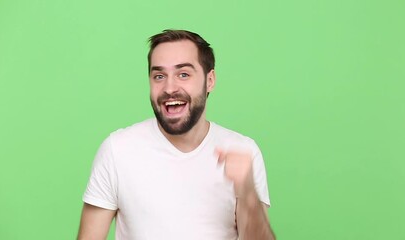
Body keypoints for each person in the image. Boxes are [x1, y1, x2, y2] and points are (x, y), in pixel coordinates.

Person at [77, 29, 275, 240]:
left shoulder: (244, 151)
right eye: (159, 76)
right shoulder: (117, 150)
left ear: (210, 80)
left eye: (183, 74)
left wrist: (248, 193)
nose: (169, 88)